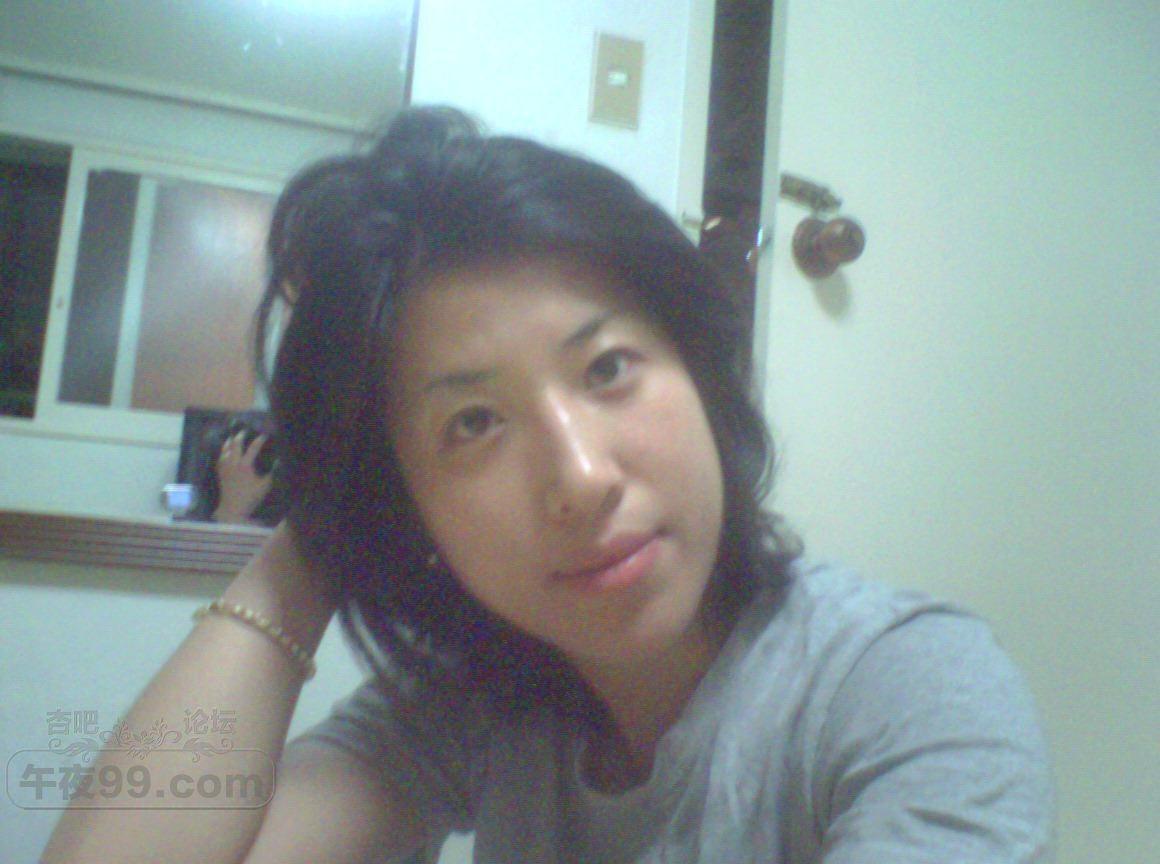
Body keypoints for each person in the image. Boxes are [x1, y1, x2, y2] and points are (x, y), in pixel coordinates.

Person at [43, 106, 1054, 863]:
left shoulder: (901, 687)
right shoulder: (476, 708)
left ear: (700, 375)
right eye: (471, 424)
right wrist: (317, 538)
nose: (580, 479)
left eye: (607, 368)